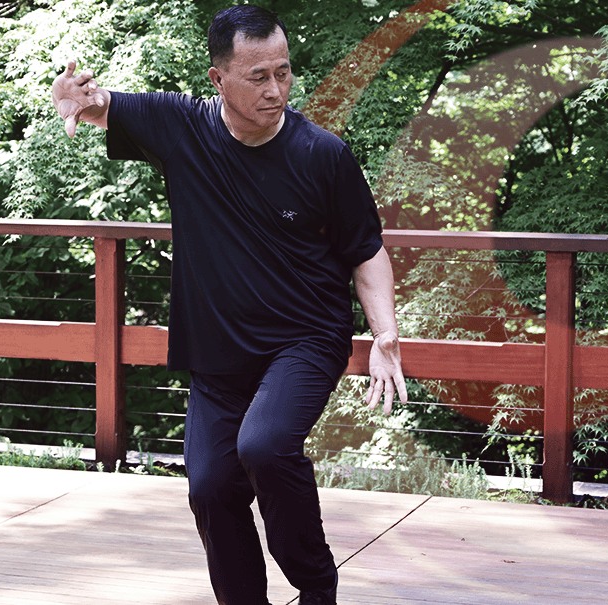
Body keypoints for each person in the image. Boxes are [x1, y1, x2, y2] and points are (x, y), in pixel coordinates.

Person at [52, 5, 406, 605]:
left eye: (284, 73)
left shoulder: (322, 155)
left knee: (264, 448)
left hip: (305, 340)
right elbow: (99, 103)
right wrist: (73, 96)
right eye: (258, 76)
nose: (276, 90)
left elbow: (366, 253)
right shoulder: (180, 126)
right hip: (218, 355)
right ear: (219, 80)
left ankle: (316, 587)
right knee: (212, 488)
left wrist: (386, 339)